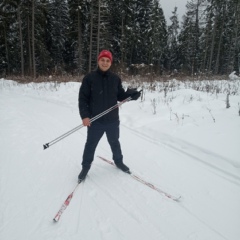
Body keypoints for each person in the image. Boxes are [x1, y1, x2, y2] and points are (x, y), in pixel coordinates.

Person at [78, 50, 141, 182]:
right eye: (103, 60)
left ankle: (118, 162)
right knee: (91, 144)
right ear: (98, 61)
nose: (105, 63)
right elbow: (83, 99)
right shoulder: (89, 78)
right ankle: (85, 167)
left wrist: (131, 95)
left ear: (110, 63)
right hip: (95, 121)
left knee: (115, 142)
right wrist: (85, 116)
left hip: (112, 120)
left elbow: (120, 96)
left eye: (108, 61)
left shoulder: (115, 79)